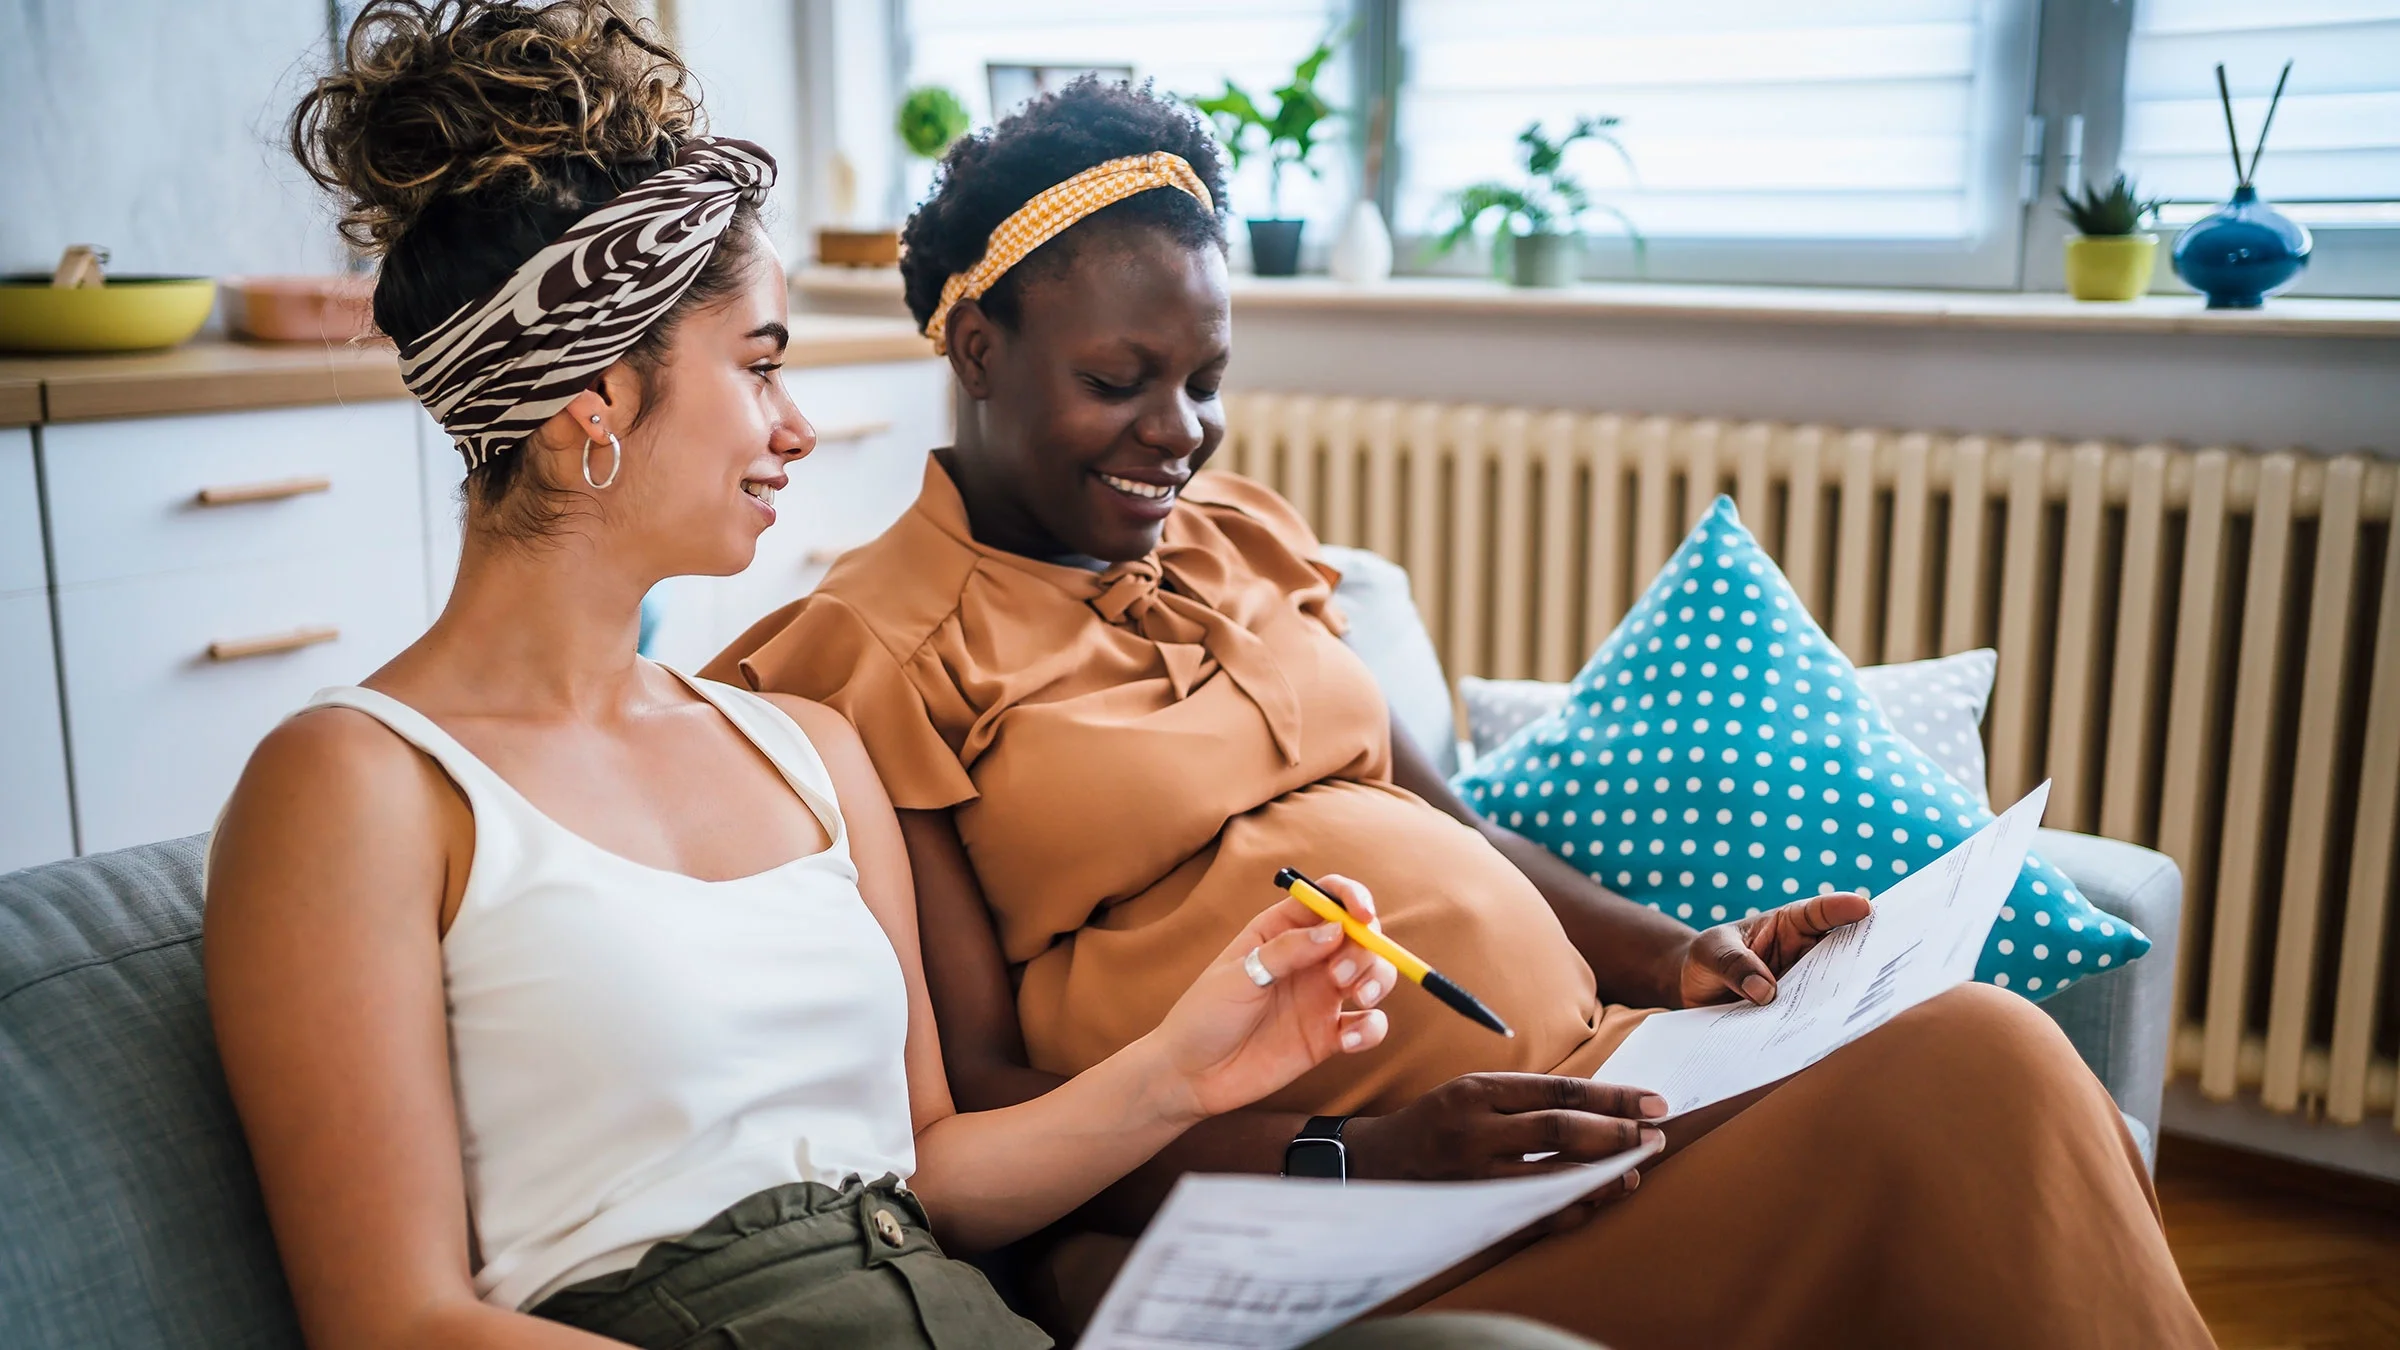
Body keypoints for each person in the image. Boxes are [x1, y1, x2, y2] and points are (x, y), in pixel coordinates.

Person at [706, 78, 2216, 1349]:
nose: (1178, 434)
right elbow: (979, 1097)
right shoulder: (868, 658)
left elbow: (1449, 817)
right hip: (1356, 1208)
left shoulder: (1243, 540)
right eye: (1120, 379)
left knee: (1983, 1042)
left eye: (1204, 380)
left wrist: (1681, 956)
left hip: (1592, 1084)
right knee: (1982, 1081)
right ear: (977, 351)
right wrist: (1371, 1151)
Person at [203, 6, 1607, 1350]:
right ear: (596, 407)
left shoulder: (805, 748)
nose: (797, 428)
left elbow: (936, 1170)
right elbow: (393, 1322)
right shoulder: (353, 782)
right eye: (759, 370)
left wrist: (1191, 1066)